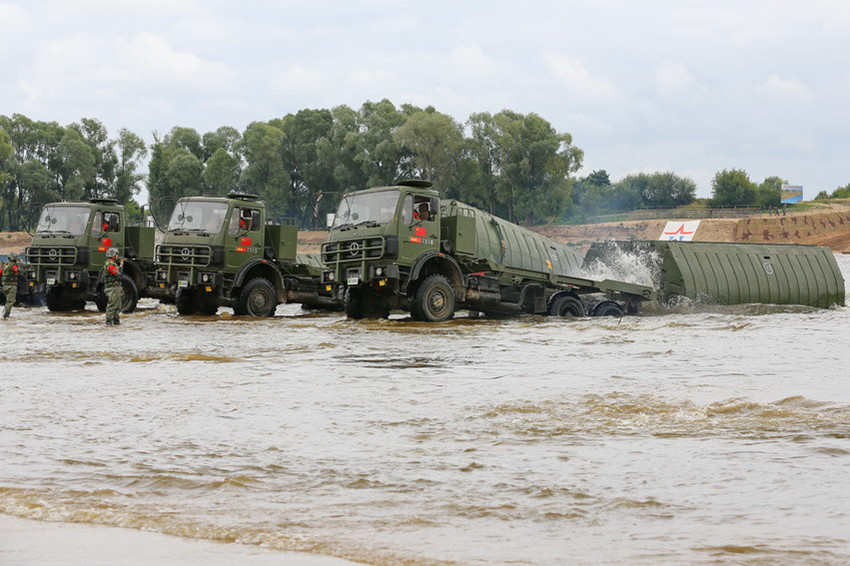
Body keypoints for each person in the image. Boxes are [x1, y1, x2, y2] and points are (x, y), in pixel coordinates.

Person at [102, 248, 124, 326]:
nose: (117, 256)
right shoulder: (110, 265)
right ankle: (109, 322)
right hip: (112, 288)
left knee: (117, 306)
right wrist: (121, 265)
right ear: (113, 255)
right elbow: (118, 273)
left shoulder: (112, 264)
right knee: (112, 305)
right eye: (116, 254)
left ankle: (116, 321)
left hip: (115, 287)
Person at [1, 251, 21, 320]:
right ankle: (5, 315)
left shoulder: (5, 265)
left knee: (8, 300)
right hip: (11, 286)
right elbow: (17, 271)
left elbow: (1, 272)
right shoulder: (13, 265)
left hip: (5, 286)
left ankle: (6, 314)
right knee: (10, 301)